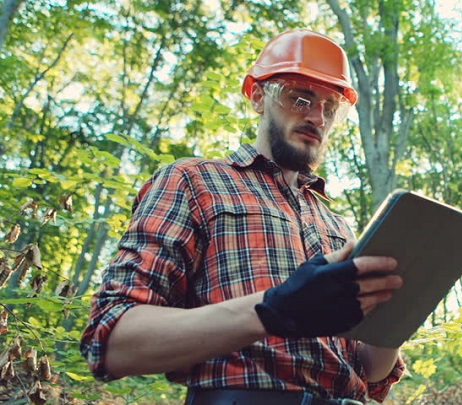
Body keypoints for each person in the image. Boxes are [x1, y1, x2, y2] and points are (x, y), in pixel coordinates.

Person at [80, 29, 406, 405]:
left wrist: (399, 314)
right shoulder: (193, 181)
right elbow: (111, 342)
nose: (317, 117)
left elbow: (368, 373)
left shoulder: (337, 226)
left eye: (330, 107)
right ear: (257, 96)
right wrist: (273, 310)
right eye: (300, 97)